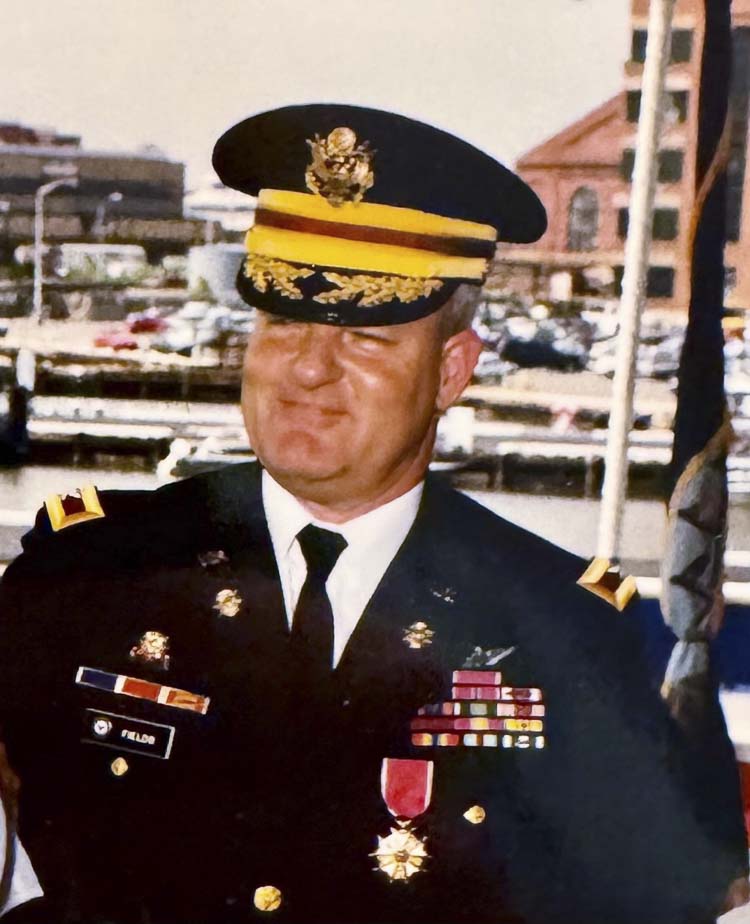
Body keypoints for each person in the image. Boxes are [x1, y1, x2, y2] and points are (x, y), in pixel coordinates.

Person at [0, 103, 745, 924]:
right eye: (283, 321)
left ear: (452, 371)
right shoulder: (92, 574)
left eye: (368, 337)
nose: (309, 369)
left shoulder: (563, 629)